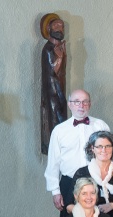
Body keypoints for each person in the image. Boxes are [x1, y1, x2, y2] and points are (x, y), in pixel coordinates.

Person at [45, 89, 110, 212]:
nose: (81, 105)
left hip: (96, 181)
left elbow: (110, 156)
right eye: (76, 102)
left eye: (85, 102)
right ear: (69, 104)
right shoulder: (59, 130)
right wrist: (55, 191)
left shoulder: (101, 126)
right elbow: (53, 163)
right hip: (69, 183)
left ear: (90, 104)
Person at [40, 14, 67, 150]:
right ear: (49, 28)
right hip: (51, 88)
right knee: (54, 112)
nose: (60, 29)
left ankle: (62, 141)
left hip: (60, 86)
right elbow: (54, 68)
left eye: (61, 26)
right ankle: (53, 144)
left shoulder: (59, 46)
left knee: (62, 111)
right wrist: (60, 57)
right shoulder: (48, 48)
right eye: (56, 26)